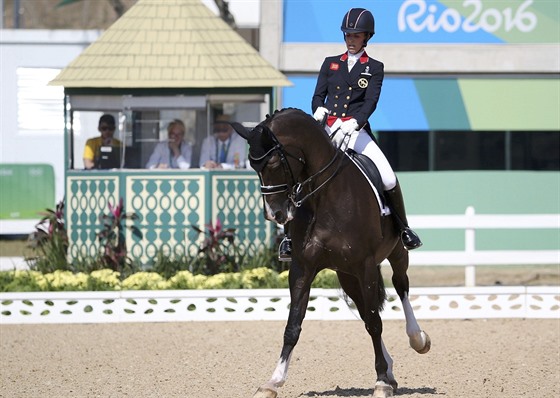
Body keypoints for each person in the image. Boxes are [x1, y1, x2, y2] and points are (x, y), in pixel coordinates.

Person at [278, 7, 422, 261]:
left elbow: (371, 102)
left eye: (356, 36)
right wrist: (318, 110)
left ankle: (403, 229)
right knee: (299, 177)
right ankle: (289, 237)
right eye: (347, 35)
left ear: (366, 37)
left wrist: (354, 121)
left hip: (354, 131)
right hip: (326, 130)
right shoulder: (331, 64)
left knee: (387, 177)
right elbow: (317, 95)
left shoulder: (374, 67)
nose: (350, 40)